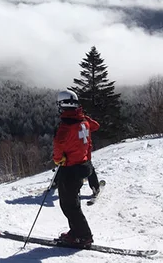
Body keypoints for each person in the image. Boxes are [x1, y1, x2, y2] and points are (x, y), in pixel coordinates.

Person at [52, 90, 96, 248]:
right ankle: (76, 232)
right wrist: (83, 116)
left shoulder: (66, 126)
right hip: (82, 166)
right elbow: (95, 126)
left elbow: (58, 146)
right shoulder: (83, 121)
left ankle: (84, 236)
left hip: (70, 169)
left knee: (69, 205)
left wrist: (58, 159)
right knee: (72, 202)